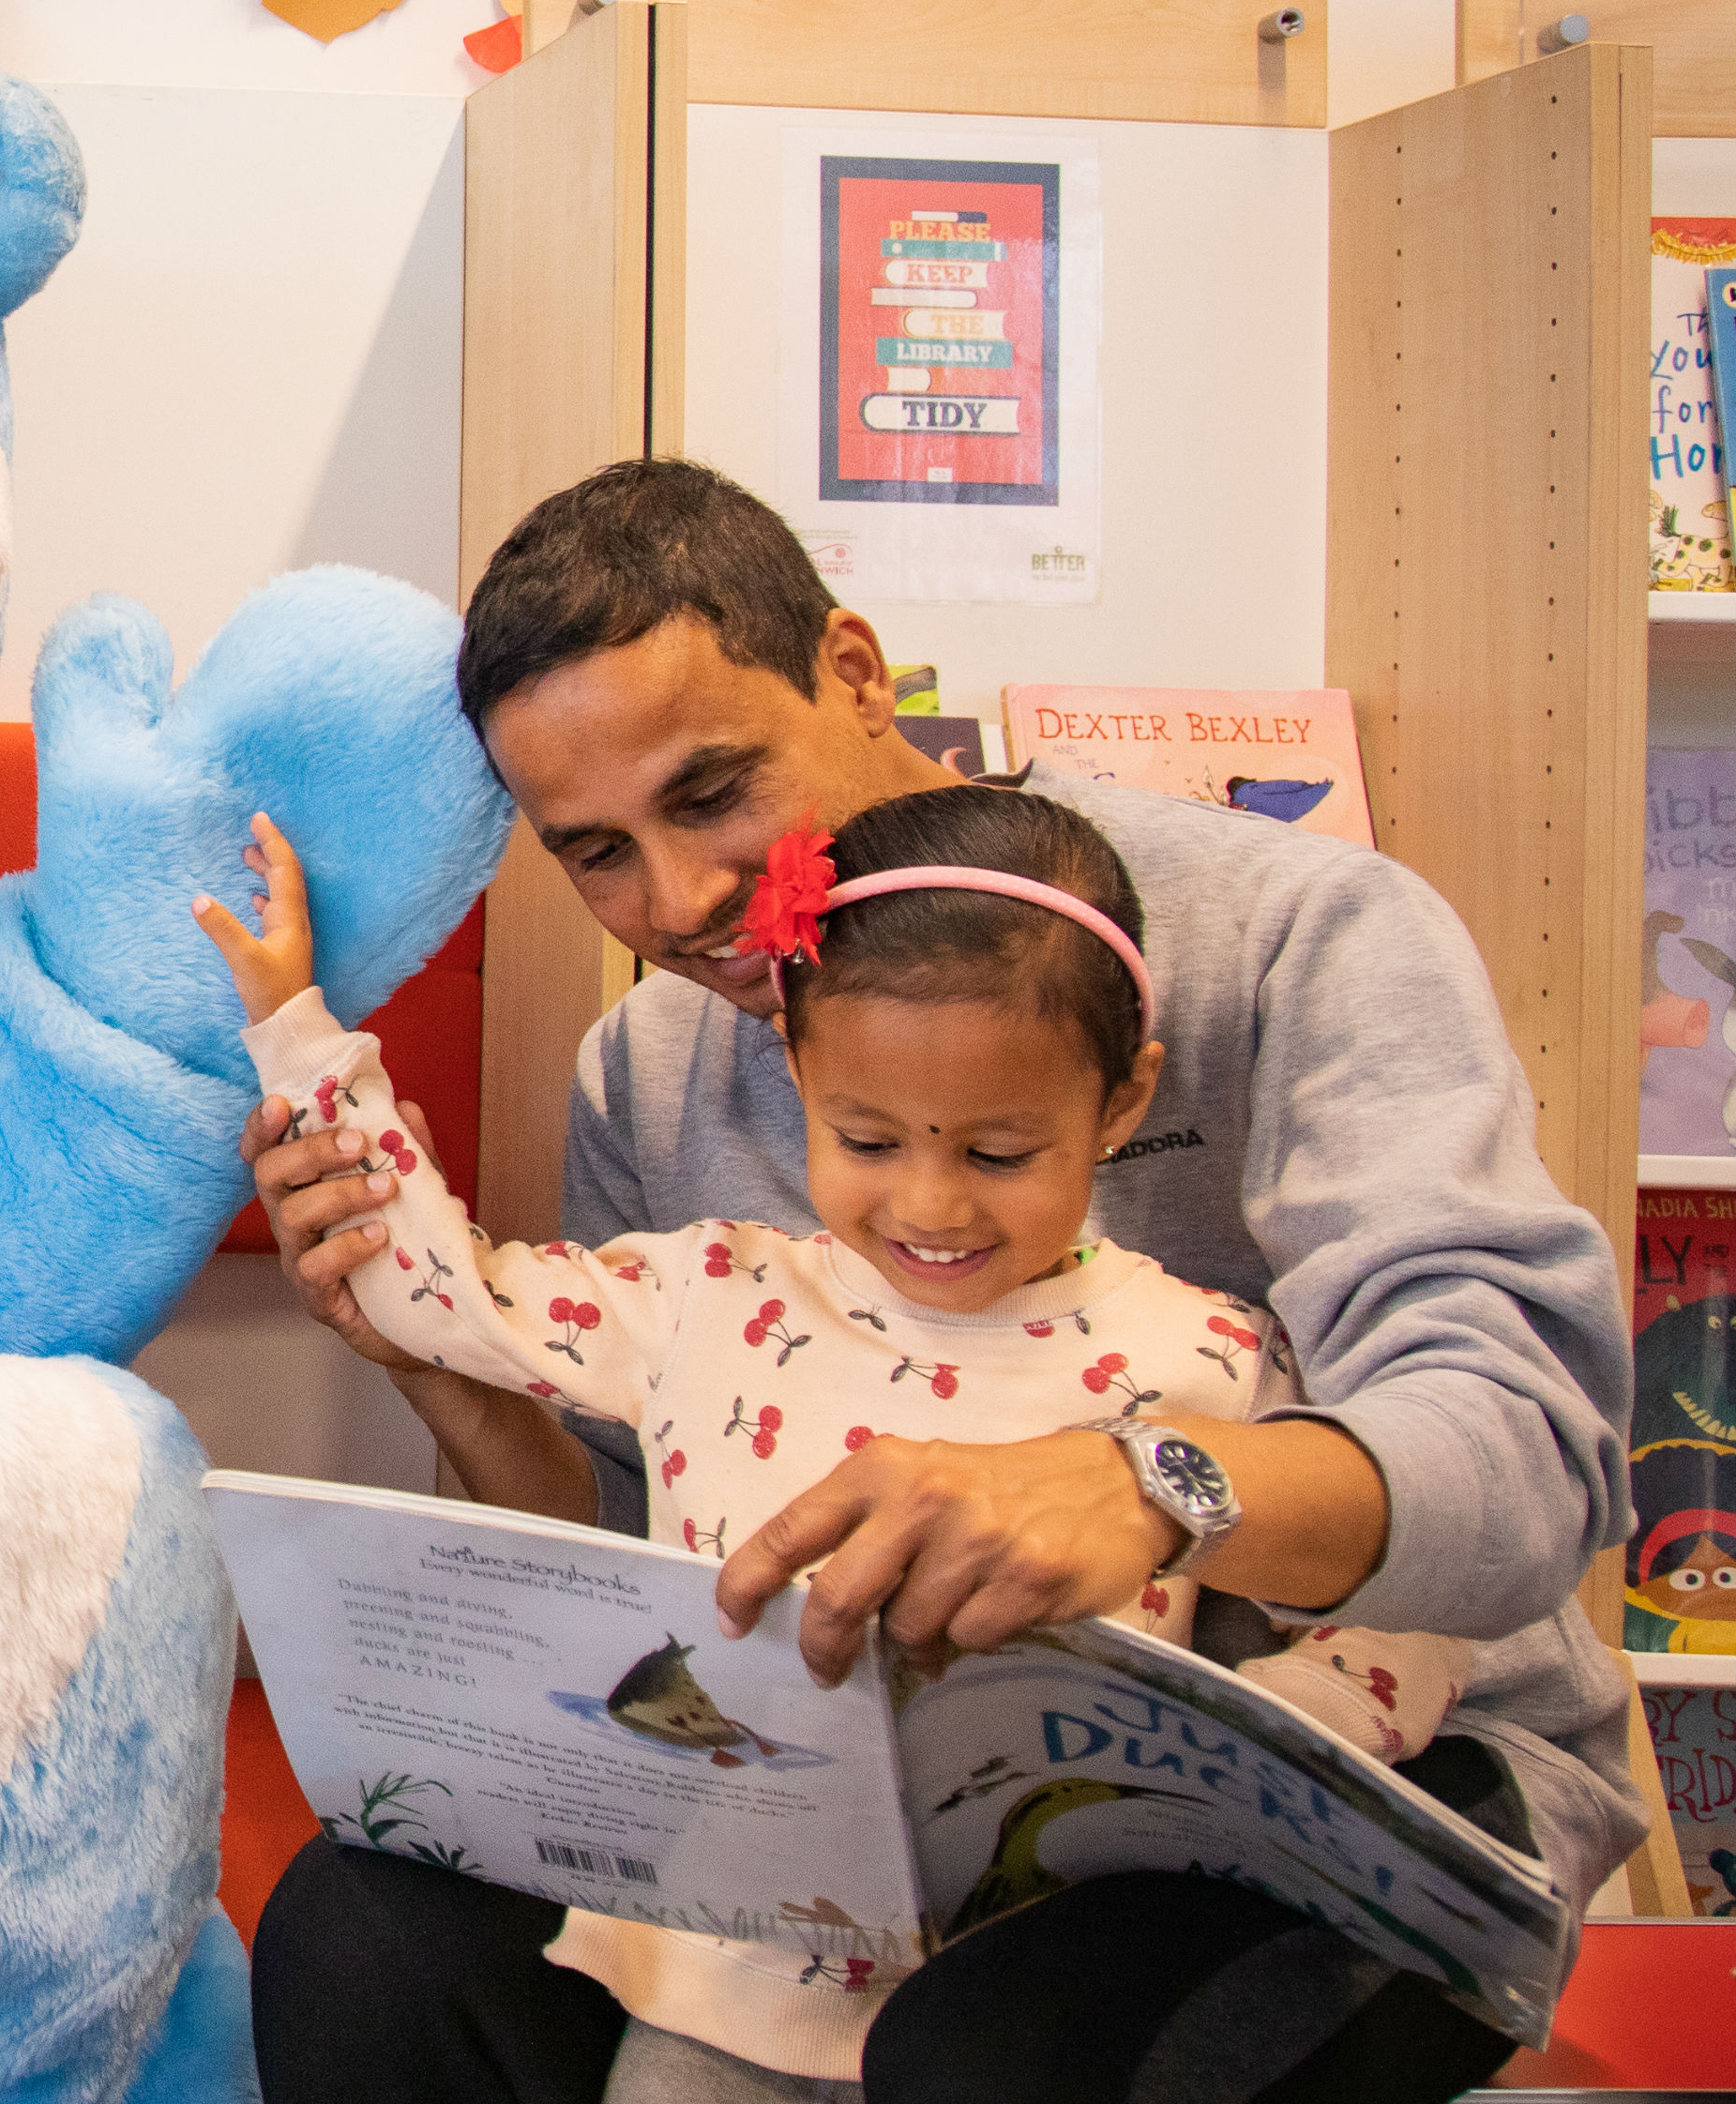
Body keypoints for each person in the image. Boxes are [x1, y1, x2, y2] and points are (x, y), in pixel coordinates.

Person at [240, 459, 1642, 2101]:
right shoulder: (651, 1062)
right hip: (814, 1804)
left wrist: (1143, 1483)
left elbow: (1528, 1456)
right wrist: (428, 1346)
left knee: (985, 2049)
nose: (679, 904)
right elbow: (633, 1573)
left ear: (850, 669)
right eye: (594, 854)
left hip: (1360, 1769)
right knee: (360, 1930)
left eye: (709, 795)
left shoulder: (1290, 932)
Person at [203, 789, 1482, 2096]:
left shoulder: (1203, 1350)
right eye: (865, 1139)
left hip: (1032, 1975)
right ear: (800, 1076)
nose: (929, 1203)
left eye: (1001, 1151)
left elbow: (1416, 1600)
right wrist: (301, 1041)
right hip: (722, 1971)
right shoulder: (712, 1292)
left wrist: (1268, 1734)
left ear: (1120, 1099)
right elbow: (444, 1300)